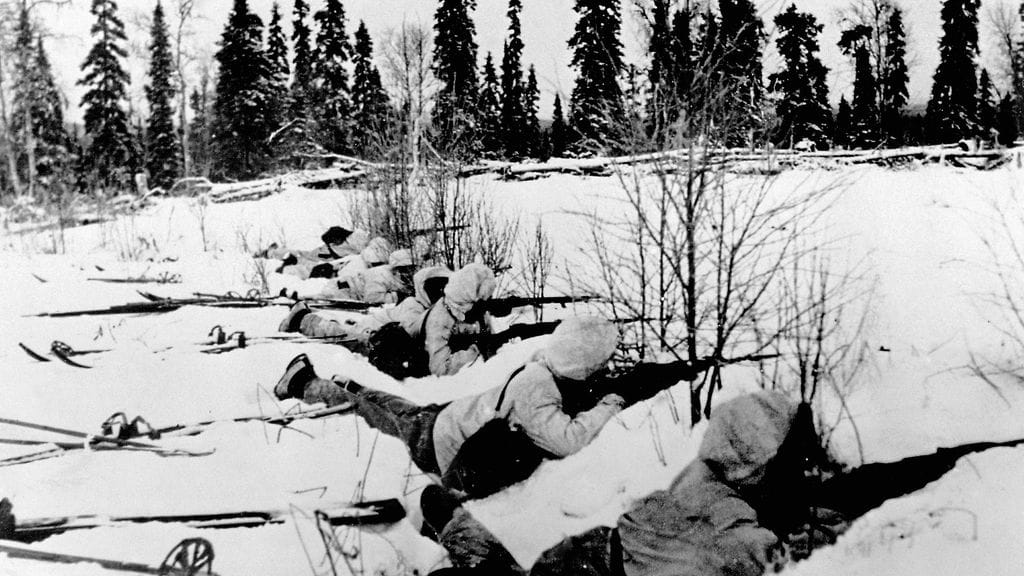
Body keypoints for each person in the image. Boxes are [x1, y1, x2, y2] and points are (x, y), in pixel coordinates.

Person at [428, 391, 848, 576]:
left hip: (589, 553)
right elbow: (797, 560)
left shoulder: (713, 469)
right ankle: (457, 534)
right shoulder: (726, 531)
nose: (804, 471)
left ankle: (457, 527)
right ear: (759, 461)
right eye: (790, 461)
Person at [275, 317, 631, 497]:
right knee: (378, 413)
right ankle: (304, 385)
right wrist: (611, 402)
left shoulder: (544, 365)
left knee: (388, 407)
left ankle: (338, 386)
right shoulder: (537, 389)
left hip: (452, 419)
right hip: (442, 440)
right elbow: (569, 440)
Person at [278, 265, 451, 350]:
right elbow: (414, 334)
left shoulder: (421, 305)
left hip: (380, 330)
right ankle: (303, 319)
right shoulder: (414, 307)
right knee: (343, 338)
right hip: (373, 331)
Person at [423, 262, 497, 377]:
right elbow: (439, 369)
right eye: (480, 299)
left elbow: (493, 345)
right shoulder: (439, 319)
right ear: (468, 295)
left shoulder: (478, 310)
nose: (483, 303)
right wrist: (473, 352)